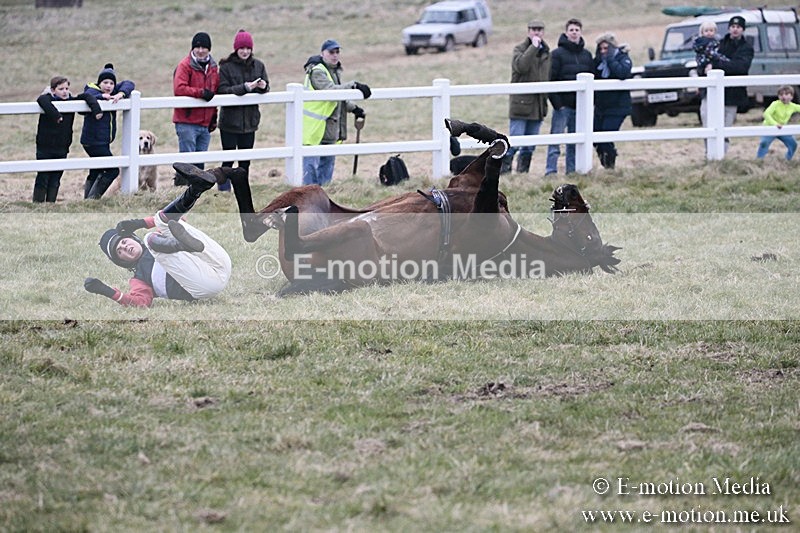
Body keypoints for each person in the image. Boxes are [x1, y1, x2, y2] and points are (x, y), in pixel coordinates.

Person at [83, 163, 232, 308]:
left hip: (220, 263)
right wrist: (107, 292)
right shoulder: (139, 278)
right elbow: (140, 303)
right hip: (205, 286)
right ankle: (181, 244)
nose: (124, 248)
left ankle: (197, 189)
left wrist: (140, 223)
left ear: (133, 238)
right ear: (122, 262)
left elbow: (179, 219)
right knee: (150, 238)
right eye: (119, 252)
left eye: (123, 242)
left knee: (165, 223)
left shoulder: (158, 239)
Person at [302, 38, 371, 186]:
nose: (335, 55)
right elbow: (330, 91)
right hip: (314, 128)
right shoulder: (317, 71)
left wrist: (354, 109)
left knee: (326, 168)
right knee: (310, 168)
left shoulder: (332, 71)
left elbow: (338, 98)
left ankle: (324, 197)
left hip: (329, 127)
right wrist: (353, 86)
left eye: (337, 52)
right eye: (331, 52)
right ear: (322, 54)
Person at [216, 29, 269, 192]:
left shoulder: (258, 65)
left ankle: (242, 189)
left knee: (245, 160)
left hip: (250, 122)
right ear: (236, 49)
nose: (245, 51)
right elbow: (222, 90)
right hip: (230, 122)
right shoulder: (226, 67)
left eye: (248, 48)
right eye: (242, 48)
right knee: (228, 159)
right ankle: (224, 189)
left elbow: (266, 86)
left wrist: (262, 87)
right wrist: (245, 88)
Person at [33, 76, 101, 203]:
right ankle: (38, 204)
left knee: (56, 177)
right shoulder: (47, 99)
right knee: (43, 176)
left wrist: (96, 109)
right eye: (61, 89)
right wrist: (56, 116)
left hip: (62, 146)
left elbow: (86, 97)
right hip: (45, 146)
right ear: (53, 90)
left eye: (66, 88)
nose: (64, 91)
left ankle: (51, 204)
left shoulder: (71, 101)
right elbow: (42, 99)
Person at [545, 18, 593, 175]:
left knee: (574, 141)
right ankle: (551, 170)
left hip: (580, 107)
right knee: (556, 140)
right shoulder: (557, 54)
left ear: (580, 32)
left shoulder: (587, 55)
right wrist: (558, 104)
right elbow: (550, 79)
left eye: (577, 30)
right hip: (562, 106)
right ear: (566, 32)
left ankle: (572, 171)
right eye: (571, 30)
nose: (574, 33)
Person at [699, 15, 754, 154]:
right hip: (712, 92)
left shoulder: (746, 48)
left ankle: (721, 156)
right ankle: (709, 154)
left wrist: (716, 65)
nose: (735, 30)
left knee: (725, 127)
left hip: (733, 94)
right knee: (707, 125)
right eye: (733, 27)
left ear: (743, 30)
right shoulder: (718, 43)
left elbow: (740, 67)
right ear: (729, 28)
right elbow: (704, 61)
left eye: (738, 27)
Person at [80, 63, 135, 199]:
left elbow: (129, 83)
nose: (108, 85)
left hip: (102, 141)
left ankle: (88, 200)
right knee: (112, 170)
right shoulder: (92, 90)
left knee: (96, 170)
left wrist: (121, 94)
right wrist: (101, 96)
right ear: (99, 83)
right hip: (93, 141)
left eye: (111, 83)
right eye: (105, 82)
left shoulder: (113, 93)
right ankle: (93, 199)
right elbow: (88, 94)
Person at [504, 20, 551, 175]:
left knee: (530, 145)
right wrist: (533, 47)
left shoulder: (546, 52)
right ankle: (505, 172)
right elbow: (521, 66)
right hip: (521, 104)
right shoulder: (519, 49)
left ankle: (523, 174)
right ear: (528, 31)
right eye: (533, 29)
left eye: (539, 30)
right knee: (515, 141)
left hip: (538, 105)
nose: (536, 32)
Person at [173, 31, 219, 183]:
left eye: (204, 47)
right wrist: (200, 93)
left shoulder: (213, 67)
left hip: (204, 123)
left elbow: (215, 91)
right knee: (187, 163)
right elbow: (179, 88)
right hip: (187, 121)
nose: (200, 50)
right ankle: (180, 191)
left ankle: (194, 193)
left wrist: (213, 117)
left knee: (199, 163)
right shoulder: (184, 65)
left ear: (209, 49)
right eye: (197, 47)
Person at [592, 33, 633, 169]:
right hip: (600, 107)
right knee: (594, 135)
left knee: (606, 135)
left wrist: (610, 60)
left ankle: (610, 164)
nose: (603, 52)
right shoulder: (597, 62)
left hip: (618, 106)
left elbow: (622, 73)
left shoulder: (623, 58)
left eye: (606, 48)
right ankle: (606, 162)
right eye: (601, 49)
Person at [756, 85, 800, 160]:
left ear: (791, 96)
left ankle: (788, 159)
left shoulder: (792, 106)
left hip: (782, 129)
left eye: (786, 94)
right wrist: (775, 124)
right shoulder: (775, 104)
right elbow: (766, 114)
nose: (783, 97)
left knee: (793, 144)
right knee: (764, 143)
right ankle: (759, 160)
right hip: (770, 128)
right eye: (781, 94)